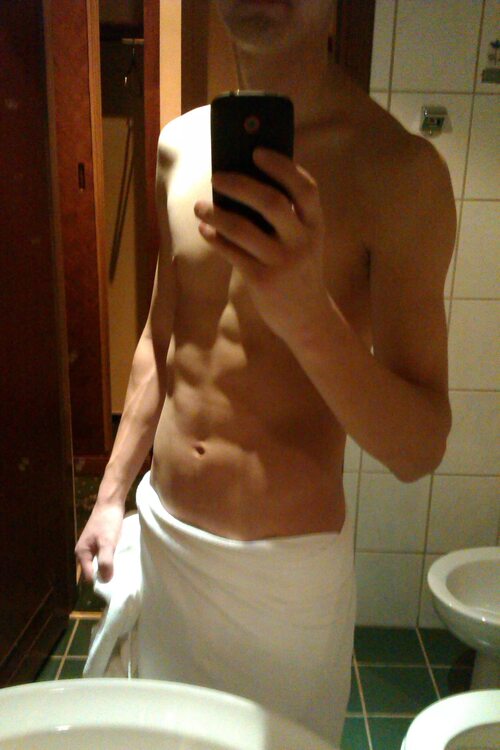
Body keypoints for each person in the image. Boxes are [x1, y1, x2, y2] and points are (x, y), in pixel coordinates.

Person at [75, 0, 456, 744]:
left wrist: (306, 313)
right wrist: (112, 494)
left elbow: (419, 449)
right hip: (167, 541)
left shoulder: (399, 172)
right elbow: (161, 339)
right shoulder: (179, 146)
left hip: (282, 585)